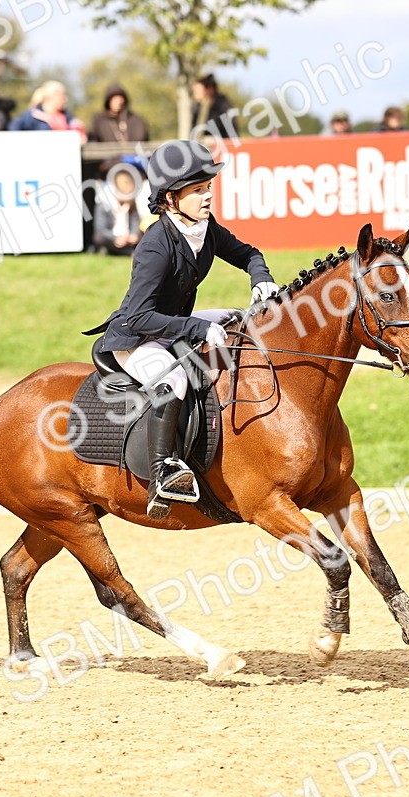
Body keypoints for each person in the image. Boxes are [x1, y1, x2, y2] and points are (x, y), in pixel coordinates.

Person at [82, 140, 277, 519]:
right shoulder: (155, 245)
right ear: (171, 199)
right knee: (173, 381)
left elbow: (248, 253)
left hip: (172, 323)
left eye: (208, 187)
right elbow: (140, 316)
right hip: (136, 336)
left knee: (239, 321)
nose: (208, 196)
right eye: (198, 190)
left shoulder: (205, 228)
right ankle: (162, 474)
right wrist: (196, 328)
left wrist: (261, 278)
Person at [10, 81, 87, 142]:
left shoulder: (68, 118)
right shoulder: (32, 116)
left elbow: (79, 134)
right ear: (51, 97)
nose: (65, 99)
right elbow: (13, 131)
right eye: (62, 96)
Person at [92, 164, 143, 255]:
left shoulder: (131, 204)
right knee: (99, 237)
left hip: (127, 238)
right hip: (112, 238)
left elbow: (135, 223)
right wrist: (115, 238)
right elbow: (101, 229)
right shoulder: (104, 204)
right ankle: (126, 252)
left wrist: (134, 235)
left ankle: (122, 251)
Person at [190, 74, 239, 140]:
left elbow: (231, 133)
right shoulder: (197, 108)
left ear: (209, 89)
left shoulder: (223, 105)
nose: (194, 92)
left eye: (197, 90)